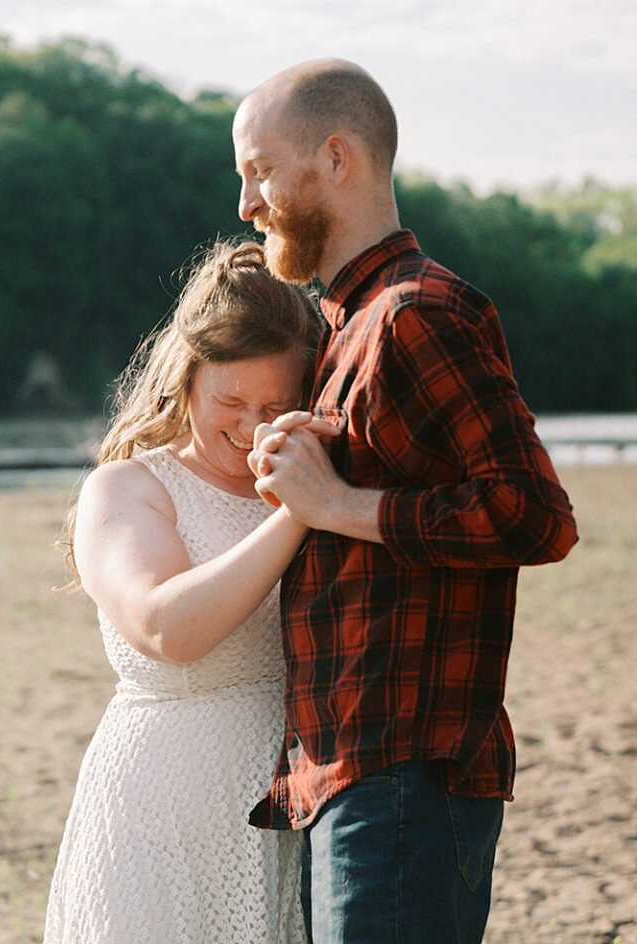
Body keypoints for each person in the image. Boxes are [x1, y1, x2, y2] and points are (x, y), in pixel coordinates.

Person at [232, 60, 579, 944]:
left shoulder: (415, 313)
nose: (246, 203)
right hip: (352, 776)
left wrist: (338, 504)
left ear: (336, 159)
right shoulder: (346, 325)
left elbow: (535, 514)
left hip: (402, 779)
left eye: (259, 170)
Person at [43, 240, 334, 944]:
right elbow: (168, 628)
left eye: (277, 403)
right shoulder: (129, 487)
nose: (251, 425)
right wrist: (301, 510)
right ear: (187, 378)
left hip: (286, 821)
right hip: (156, 816)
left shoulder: (318, 478)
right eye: (230, 400)